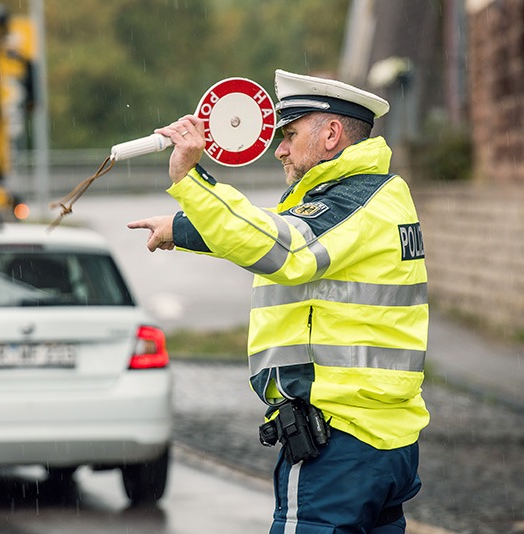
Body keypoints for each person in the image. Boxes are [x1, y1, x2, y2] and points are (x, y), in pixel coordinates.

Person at [127, 69, 429, 533]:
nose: (279, 149)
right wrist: (182, 228)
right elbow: (279, 232)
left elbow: (285, 248)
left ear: (331, 133)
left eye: (289, 134)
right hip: (384, 441)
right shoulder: (374, 196)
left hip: (338, 444)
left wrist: (192, 178)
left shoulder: (353, 200)